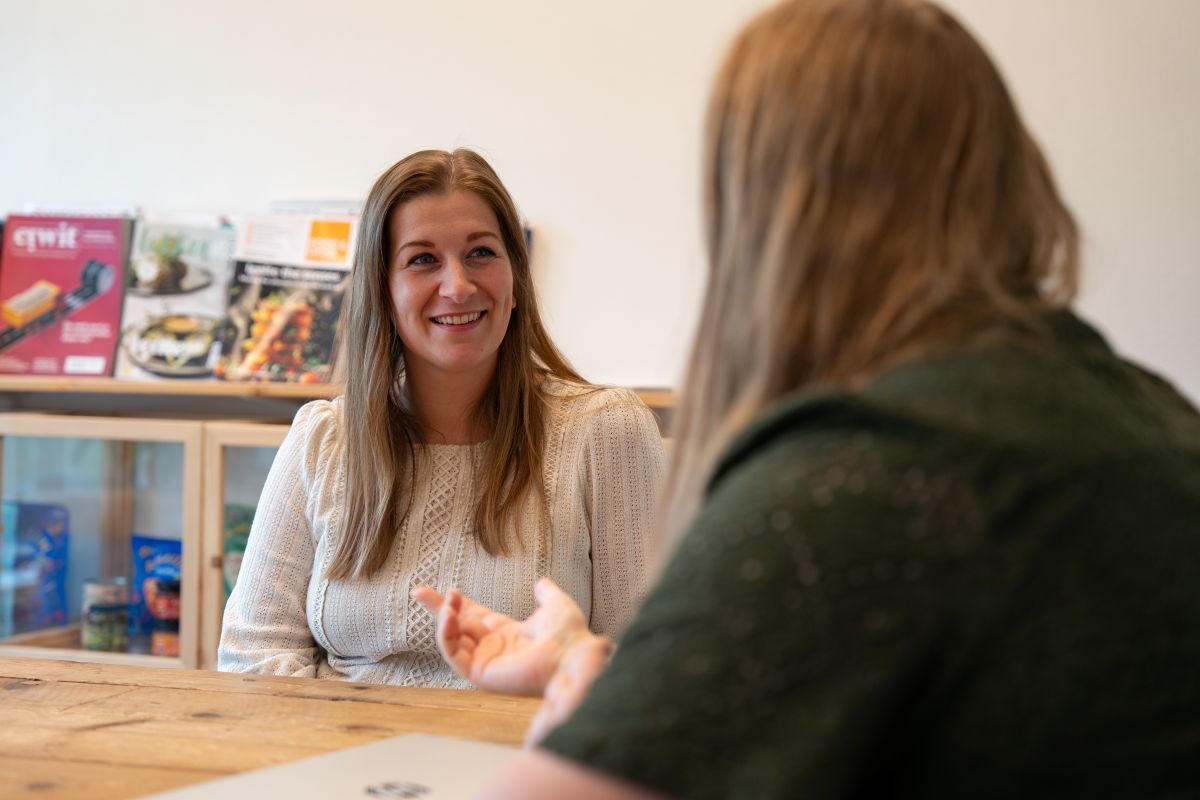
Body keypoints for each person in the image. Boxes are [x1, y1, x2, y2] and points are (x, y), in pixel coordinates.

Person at [415, 0, 1200, 796]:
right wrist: (609, 682)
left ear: (769, 207)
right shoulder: (1153, 421)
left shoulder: (865, 469)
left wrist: (576, 733)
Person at [218, 149, 665, 687]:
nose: (457, 286)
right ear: (383, 290)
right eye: (422, 260)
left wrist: (555, 676)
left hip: (519, 760)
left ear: (516, 278)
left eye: (480, 252)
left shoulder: (605, 431)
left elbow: (648, 671)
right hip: (340, 758)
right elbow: (252, 654)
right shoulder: (324, 439)